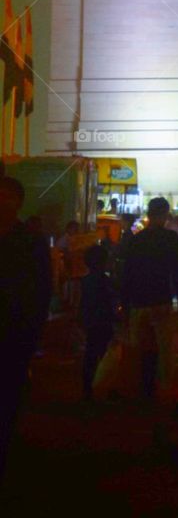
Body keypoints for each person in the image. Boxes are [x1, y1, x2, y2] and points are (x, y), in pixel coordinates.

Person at [0, 176, 51, 477]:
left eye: (8, 196)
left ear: (18, 202)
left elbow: (42, 291)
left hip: (14, 334)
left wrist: (33, 333)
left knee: (8, 398)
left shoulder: (31, 243)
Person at [121, 196, 178, 398]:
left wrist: (125, 304)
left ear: (148, 215)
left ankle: (142, 387)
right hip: (161, 299)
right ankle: (163, 390)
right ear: (165, 214)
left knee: (141, 348)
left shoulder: (136, 240)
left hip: (139, 301)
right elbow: (177, 271)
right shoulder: (170, 239)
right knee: (164, 350)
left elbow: (127, 274)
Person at [80, 243, 117, 400]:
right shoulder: (105, 281)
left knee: (91, 352)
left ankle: (88, 387)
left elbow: (83, 303)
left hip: (91, 321)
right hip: (104, 321)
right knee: (104, 354)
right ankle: (104, 387)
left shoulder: (86, 280)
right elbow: (110, 301)